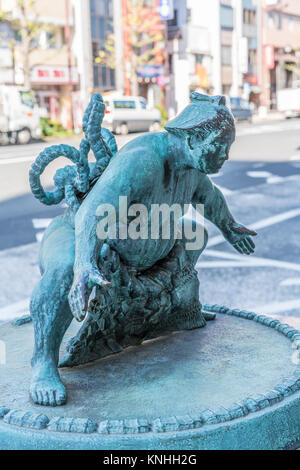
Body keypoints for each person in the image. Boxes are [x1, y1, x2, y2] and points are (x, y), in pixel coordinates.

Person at [29, 92, 257, 406]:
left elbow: (211, 199)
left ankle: (175, 311)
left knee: (195, 234)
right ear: (193, 139)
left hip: (145, 252)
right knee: (65, 268)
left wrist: (230, 227)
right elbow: (91, 212)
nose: (225, 156)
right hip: (78, 233)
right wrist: (84, 264)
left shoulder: (192, 169)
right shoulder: (145, 159)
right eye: (220, 146)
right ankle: (42, 362)